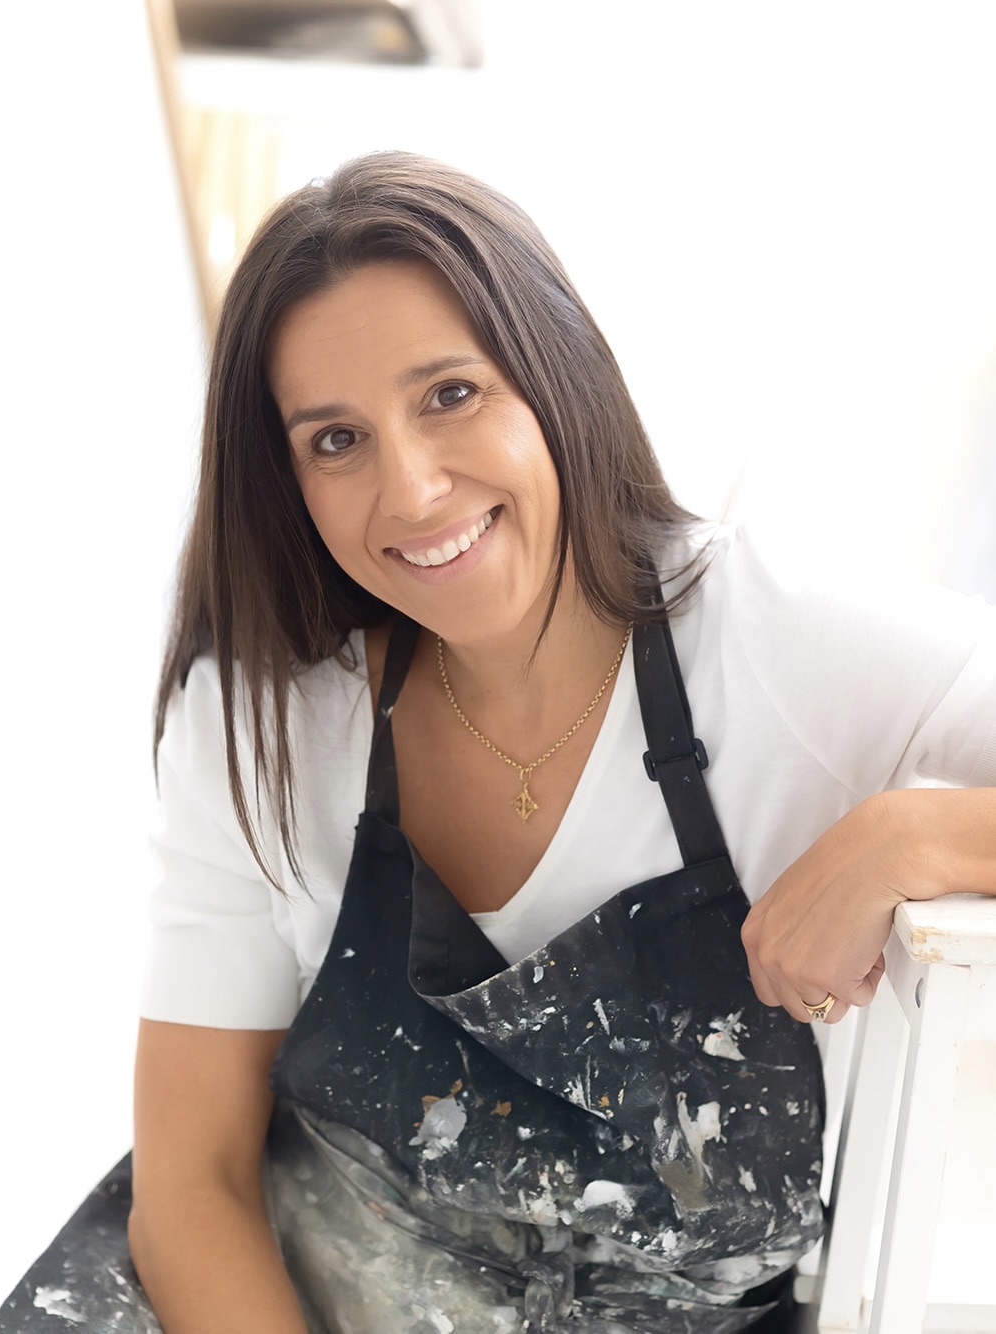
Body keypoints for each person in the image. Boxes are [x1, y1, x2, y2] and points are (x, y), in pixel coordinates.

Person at [128, 151, 996, 1334]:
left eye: (449, 394)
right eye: (335, 440)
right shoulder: (262, 719)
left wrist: (915, 833)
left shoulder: (784, 644)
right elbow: (195, 1184)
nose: (414, 488)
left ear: (554, 374)